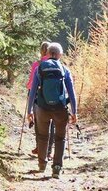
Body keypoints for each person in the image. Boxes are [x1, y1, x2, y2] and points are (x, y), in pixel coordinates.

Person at [26, 43, 78, 178]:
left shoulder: (39, 68)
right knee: (60, 138)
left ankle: (42, 164)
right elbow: (72, 93)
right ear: (60, 55)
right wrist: (74, 112)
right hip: (60, 109)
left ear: (47, 53)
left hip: (42, 108)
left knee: (43, 136)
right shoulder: (65, 70)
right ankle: (56, 168)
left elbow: (33, 91)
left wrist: (29, 110)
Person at [25, 42, 55, 158]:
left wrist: (28, 87)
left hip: (38, 96)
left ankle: (40, 147)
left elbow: (31, 84)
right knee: (51, 123)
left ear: (41, 51)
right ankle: (49, 150)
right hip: (53, 97)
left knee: (39, 122)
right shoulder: (56, 64)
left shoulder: (36, 65)